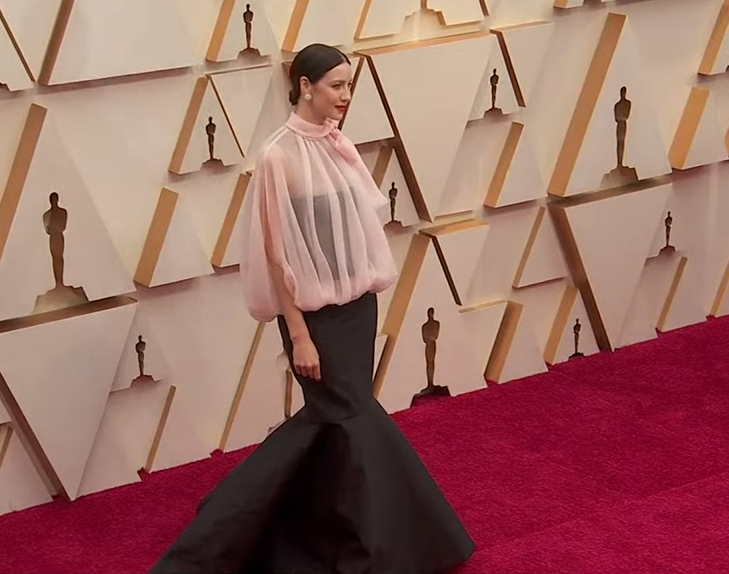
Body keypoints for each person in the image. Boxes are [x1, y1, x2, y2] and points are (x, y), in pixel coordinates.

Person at [148, 43, 475, 574]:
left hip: (357, 309)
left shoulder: (336, 144)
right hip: (314, 320)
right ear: (305, 86)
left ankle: (300, 529)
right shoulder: (276, 156)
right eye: (337, 85)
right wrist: (298, 334)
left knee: (335, 423)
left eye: (349, 85)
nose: (346, 96)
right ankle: (218, 544)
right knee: (349, 419)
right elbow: (276, 255)